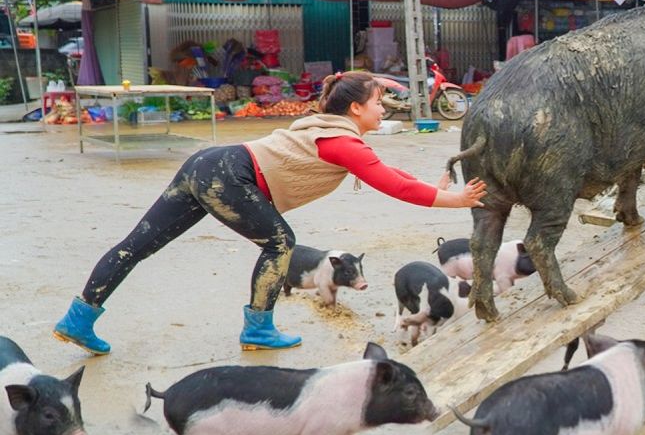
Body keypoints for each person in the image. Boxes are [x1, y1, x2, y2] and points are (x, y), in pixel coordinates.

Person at [53, 72, 487, 355]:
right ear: (355, 109)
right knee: (281, 243)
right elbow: (393, 185)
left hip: (208, 165)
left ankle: (79, 318)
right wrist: (457, 201)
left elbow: (391, 172)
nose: (383, 108)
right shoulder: (342, 141)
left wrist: (438, 190)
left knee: (137, 245)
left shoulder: (329, 129)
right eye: (378, 101)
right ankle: (258, 329)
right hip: (229, 176)